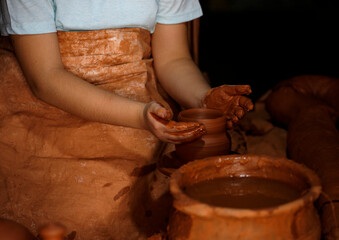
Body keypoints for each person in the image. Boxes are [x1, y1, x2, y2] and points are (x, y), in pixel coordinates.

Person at [0, 1, 253, 239]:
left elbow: (174, 59)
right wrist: (140, 115)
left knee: (187, 196)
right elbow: (45, 79)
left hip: (146, 114)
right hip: (49, 117)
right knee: (84, 216)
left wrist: (203, 98)